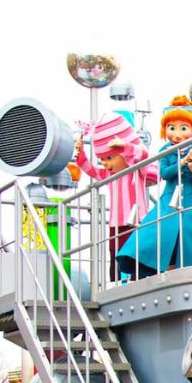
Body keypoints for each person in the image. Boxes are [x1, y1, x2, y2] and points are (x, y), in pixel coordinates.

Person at [118, 96, 192, 278]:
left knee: (190, 241)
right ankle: (153, 270)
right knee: (157, 235)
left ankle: (188, 275)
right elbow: (165, 173)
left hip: (191, 201)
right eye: (172, 128)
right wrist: (183, 162)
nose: (177, 133)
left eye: (183, 128)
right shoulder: (166, 151)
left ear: (191, 129)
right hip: (169, 199)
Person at [74, 114, 159, 281]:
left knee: (136, 253)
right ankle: (116, 282)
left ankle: (138, 280)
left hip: (135, 220)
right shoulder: (109, 174)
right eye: (102, 159)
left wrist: (125, 146)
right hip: (115, 223)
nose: (105, 163)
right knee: (115, 254)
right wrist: (81, 155)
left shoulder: (137, 169)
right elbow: (92, 171)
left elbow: (143, 155)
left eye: (109, 158)